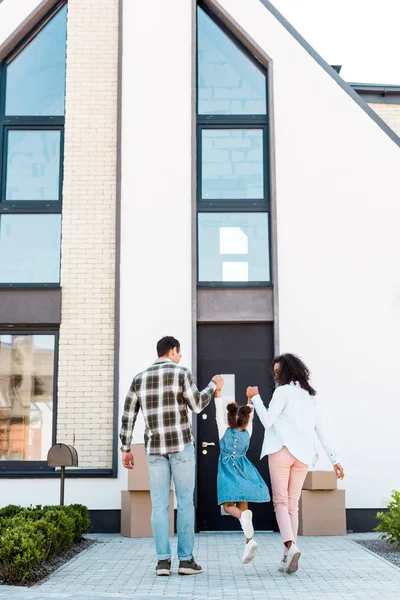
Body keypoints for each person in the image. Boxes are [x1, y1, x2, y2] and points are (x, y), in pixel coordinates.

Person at [120, 336, 223, 577]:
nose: (181, 357)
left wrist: (125, 448)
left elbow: (128, 416)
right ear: (173, 350)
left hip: (155, 449)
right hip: (181, 447)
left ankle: (162, 563)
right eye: (180, 352)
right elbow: (197, 405)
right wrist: (212, 386)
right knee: (185, 503)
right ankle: (186, 561)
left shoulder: (139, 379)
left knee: (159, 506)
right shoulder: (181, 373)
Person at [247, 353, 344, 575]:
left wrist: (256, 398)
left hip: (281, 452)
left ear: (286, 372)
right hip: (303, 455)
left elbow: (268, 420)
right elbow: (320, 429)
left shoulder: (282, 392)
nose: (275, 375)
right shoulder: (308, 396)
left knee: (281, 502)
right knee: (293, 504)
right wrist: (335, 460)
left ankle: (290, 547)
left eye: (277, 372)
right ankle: (287, 554)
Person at [215, 388, 270, 564]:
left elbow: (218, 412)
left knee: (228, 506)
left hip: (227, 472)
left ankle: (246, 531)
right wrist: (249, 399)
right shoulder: (248, 432)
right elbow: (251, 417)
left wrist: (218, 393)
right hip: (244, 471)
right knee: (243, 506)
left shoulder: (223, 430)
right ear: (246, 422)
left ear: (229, 420)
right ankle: (249, 541)